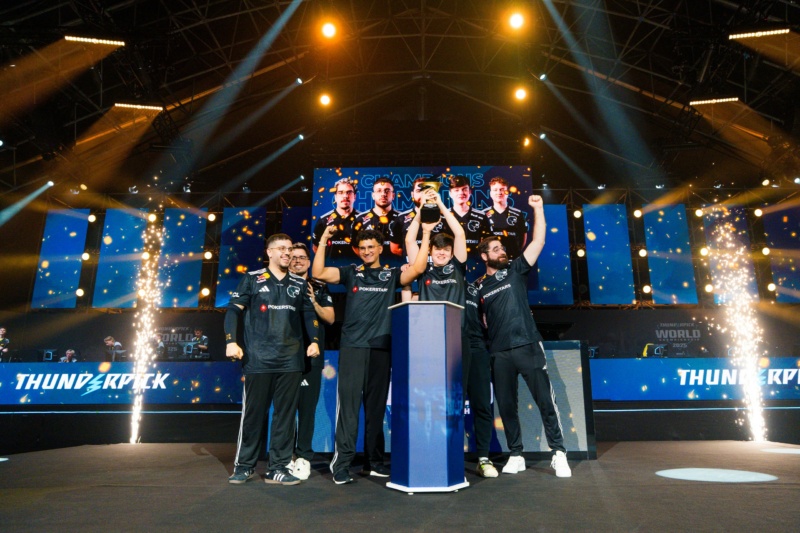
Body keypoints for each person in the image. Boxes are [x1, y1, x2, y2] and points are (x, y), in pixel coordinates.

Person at [312, 224, 432, 485]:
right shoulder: (350, 273)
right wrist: (323, 240)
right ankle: (342, 465)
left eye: (371, 247)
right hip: (353, 347)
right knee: (349, 409)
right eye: (362, 248)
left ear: (380, 249)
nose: (366, 251)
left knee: (376, 409)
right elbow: (318, 272)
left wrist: (426, 234)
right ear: (358, 251)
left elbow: (419, 268)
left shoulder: (391, 275)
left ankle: (374, 463)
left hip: (381, 348)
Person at [404, 187, 498, 479]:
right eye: (438, 249)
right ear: (431, 251)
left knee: (477, 401)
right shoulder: (423, 270)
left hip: (463, 342)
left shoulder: (458, 267)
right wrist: (422, 212)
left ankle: (483, 457)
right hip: (432, 347)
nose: (443, 252)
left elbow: (458, 233)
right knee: (442, 404)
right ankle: (441, 454)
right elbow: (409, 239)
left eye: (446, 248)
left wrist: (442, 205)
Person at [475, 194, 572, 478]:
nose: (502, 251)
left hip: (527, 344)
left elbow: (538, 241)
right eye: (496, 249)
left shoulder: (516, 269)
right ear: (484, 256)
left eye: (502, 247)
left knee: (545, 401)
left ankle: (559, 453)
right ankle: (516, 454)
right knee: (506, 406)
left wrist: (538, 208)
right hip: (499, 352)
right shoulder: (479, 287)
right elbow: (481, 320)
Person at [225, 233, 321, 486]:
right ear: (269, 252)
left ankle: (277, 467)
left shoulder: (299, 283)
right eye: (281, 249)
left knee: (285, 416)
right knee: (254, 414)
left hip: (291, 360)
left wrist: (314, 341)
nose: (287, 253)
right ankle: (244, 466)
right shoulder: (252, 278)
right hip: (258, 359)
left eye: (289, 249)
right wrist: (230, 341)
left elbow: (309, 314)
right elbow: (233, 311)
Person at [287, 243, 335, 481]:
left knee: (307, 410)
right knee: (285, 410)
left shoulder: (319, 286)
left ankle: (303, 456)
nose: (297, 261)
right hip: (284, 358)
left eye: (302, 257)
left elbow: (331, 318)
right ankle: (285, 456)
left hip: (311, 357)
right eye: (293, 257)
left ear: (309, 261)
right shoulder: (280, 285)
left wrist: (314, 302)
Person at [351, 176, 403, 253]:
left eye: (387, 191)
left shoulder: (402, 219)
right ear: (373, 195)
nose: (383, 194)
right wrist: (368, 259)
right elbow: (355, 246)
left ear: (393, 196)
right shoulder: (360, 219)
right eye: (379, 191)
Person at [313, 177, 358, 261]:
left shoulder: (362, 219)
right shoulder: (323, 220)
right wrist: (327, 262)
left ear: (354, 196)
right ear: (335, 196)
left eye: (349, 192)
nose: (345, 196)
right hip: (330, 267)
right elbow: (316, 247)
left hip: (357, 268)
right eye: (340, 192)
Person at [484, 177, 529, 260]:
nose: (499, 192)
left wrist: (515, 252)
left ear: (507, 192)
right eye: (495, 190)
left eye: (502, 189)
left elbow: (523, 237)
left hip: (513, 259)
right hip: (492, 261)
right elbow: (481, 240)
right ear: (490, 193)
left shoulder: (518, 214)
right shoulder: (484, 214)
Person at [447, 175, 492, 255]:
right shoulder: (444, 216)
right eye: (456, 190)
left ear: (470, 192)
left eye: (464, 189)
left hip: (475, 260)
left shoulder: (481, 216)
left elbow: (488, 242)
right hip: (450, 260)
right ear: (450, 193)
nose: (461, 193)